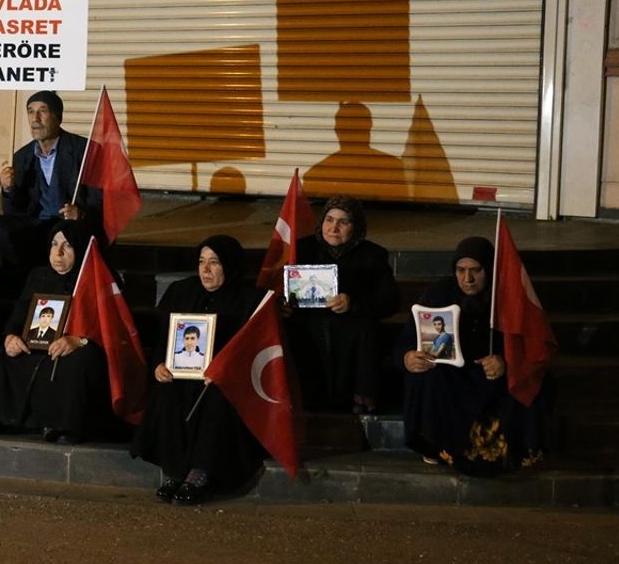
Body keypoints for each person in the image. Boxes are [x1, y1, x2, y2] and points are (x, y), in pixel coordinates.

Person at [131, 235, 266, 505]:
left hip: (224, 381)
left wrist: (224, 370)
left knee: (216, 399)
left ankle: (200, 473)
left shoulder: (251, 299)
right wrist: (159, 364)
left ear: (229, 265)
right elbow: (163, 340)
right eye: (202, 262)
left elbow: (254, 350)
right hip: (182, 373)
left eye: (214, 263)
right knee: (168, 393)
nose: (205, 270)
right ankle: (174, 471)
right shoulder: (181, 292)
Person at [400, 236, 550, 476]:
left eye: (475, 271)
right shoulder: (438, 294)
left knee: (528, 381)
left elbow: (527, 346)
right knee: (425, 376)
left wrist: (504, 360)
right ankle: (433, 445)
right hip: (453, 375)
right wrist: (408, 356)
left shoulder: (507, 298)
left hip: (492, 374)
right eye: (460, 270)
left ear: (489, 269)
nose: (467, 279)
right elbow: (410, 337)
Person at [0, 221, 112, 444]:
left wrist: (79, 341)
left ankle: (60, 425)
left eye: (66, 246)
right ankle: (3, 421)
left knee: (77, 363)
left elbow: (108, 329)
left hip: (74, 349)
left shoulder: (96, 278)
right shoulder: (39, 276)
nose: (58, 253)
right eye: (54, 244)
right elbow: (18, 318)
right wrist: (11, 337)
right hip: (37, 345)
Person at [284, 196, 399, 413]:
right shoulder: (302, 249)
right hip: (308, 321)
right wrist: (284, 305)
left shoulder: (372, 255)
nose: (334, 228)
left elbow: (389, 300)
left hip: (351, 323)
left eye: (343, 222)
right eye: (329, 220)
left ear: (356, 227)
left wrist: (353, 303)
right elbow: (282, 288)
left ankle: (359, 397)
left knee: (363, 330)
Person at [0, 91, 103, 278]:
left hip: (69, 225)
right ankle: (32, 272)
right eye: (31, 111)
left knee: (71, 232)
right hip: (37, 224)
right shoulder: (22, 156)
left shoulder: (84, 150)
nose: (35, 118)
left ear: (58, 117)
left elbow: (100, 201)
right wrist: (8, 189)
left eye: (43, 111)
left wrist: (80, 214)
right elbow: (13, 212)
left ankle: (42, 272)